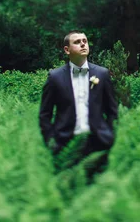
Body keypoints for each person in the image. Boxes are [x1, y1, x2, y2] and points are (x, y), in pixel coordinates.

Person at [39, 30, 118, 176]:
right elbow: (44, 114)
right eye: (77, 42)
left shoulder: (102, 74)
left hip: (98, 142)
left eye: (85, 41)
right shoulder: (55, 77)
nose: (83, 44)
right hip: (66, 144)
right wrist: (51, 142)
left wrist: (110, 136)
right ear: (67, 50)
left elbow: (112, 110)